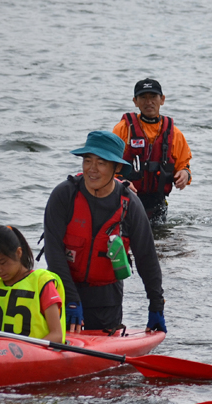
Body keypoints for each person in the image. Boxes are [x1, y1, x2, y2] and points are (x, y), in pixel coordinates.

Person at [43, 130, 167, 334]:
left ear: (117, 167)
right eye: (87, 160)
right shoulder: (64, 195)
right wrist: (71, 298)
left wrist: (156, 305)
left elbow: (147, 258)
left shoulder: (130, 206)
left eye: (101, 163)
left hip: (106, 302)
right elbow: (53, 251)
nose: (92, 169)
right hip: (62, 294)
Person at [113, 78, 193, 224]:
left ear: (162, 100)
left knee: (163, 244)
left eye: (153, 97)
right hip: (126, 199)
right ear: (135, 101)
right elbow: (108, 164)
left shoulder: (174, 133)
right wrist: (121, 181)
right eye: (143, 97)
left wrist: (184, 174)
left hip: (157, 205)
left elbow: (184, 165)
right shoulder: (123, 129)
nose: (148, 101)